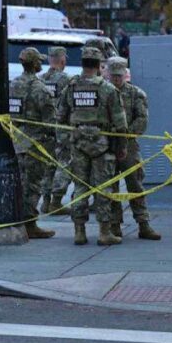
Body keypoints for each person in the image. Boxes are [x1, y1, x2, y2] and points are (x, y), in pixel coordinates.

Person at [57, 47, 128, 246]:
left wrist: (67, 139)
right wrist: (121, 146)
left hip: (77, 143)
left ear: (82, 64)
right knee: (103, 187)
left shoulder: (71, 87)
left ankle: (79, 231)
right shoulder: (107, 89)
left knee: (80, 186)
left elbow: (60, 116)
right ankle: (104, 232)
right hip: (102, 144)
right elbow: (121, 124)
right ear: (99, 66)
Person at [106, 57, 161, 240]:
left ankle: (143, 223)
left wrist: (126, 135)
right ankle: (114, 225)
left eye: (119, 76)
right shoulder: (103, 92)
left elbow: (142, 119)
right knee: (110, 187)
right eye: (113, 76)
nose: (116, 79)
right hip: (106, 145)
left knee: (135, 184)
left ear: (125, 75)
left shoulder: (136, 93)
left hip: (128, 145)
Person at [8, 47, 57, 239]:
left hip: (17, 140)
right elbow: (49, 122)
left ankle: (20, 219)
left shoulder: (13, 84)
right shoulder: (40, 88)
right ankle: (30, 224)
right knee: (33, 185)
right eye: (39, 61)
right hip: (35, 144)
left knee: (20, 183)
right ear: (35, 64)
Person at [39, 46, 72, 214]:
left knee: (48, 164)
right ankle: (56, 201)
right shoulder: (66, 79)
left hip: (44, 129)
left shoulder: (40, 79)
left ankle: (45, 201)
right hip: (62, 129)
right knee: (64, 164)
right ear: (63, 60)